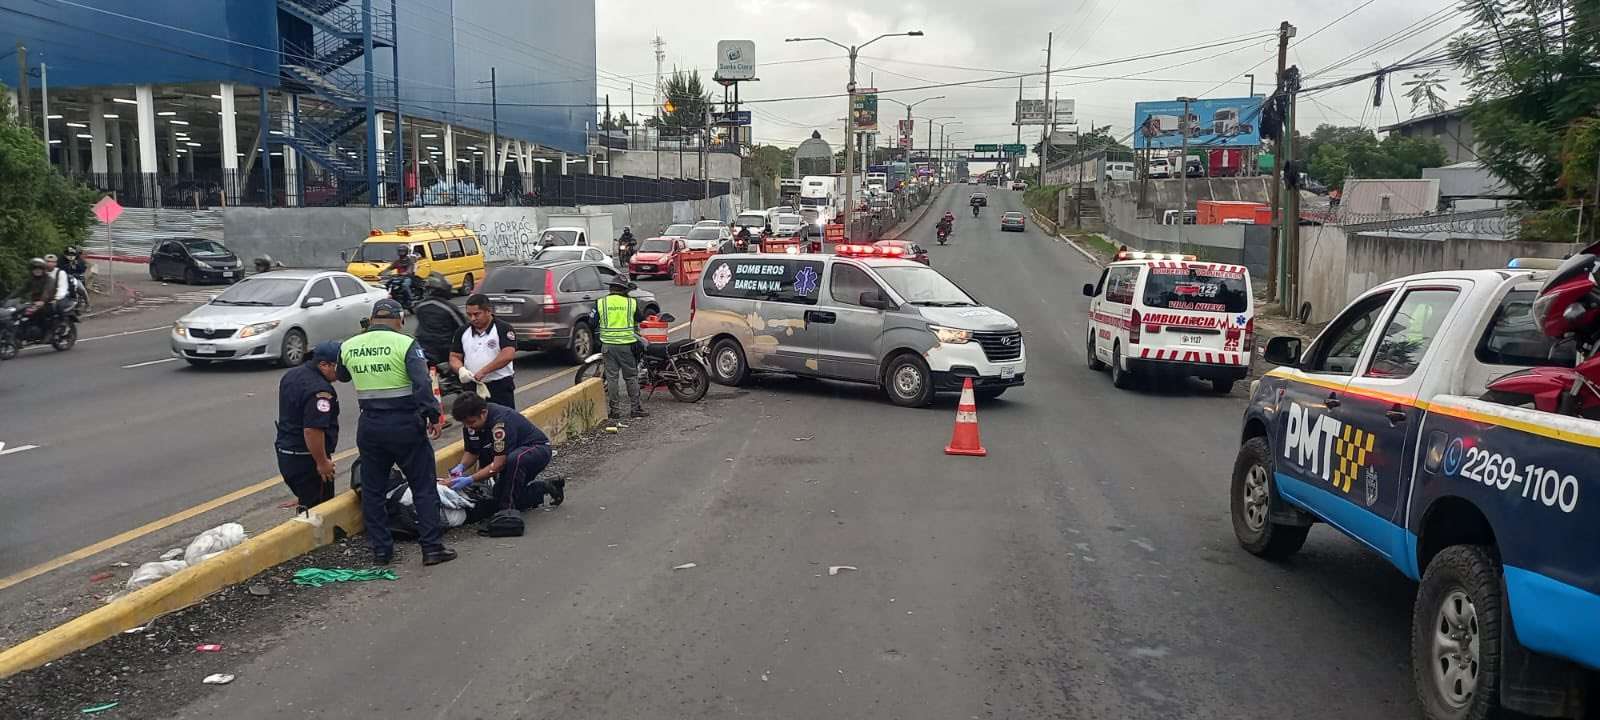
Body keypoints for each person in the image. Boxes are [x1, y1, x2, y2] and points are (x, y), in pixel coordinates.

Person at [339, 299, 456, 566]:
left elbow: (343, 375)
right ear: (399, 319)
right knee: (423, 486)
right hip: (405, 424)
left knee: (373, 490)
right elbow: (422, 383)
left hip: (370, 426)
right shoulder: (405, 344)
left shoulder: (349, 345)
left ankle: (381, 551)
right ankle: (431, 548)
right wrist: (433, 416)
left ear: (371, 319)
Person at [449, 392, 565, 512]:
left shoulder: (500, 423)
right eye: (465, 423)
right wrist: (461, 467)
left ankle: (508, 511)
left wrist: (470, 479)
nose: (468, 427)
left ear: (483, 413)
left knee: (515, 462)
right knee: (498, 498)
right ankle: (546, 487)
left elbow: (499, 464)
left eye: (471, 422)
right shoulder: (471, 424)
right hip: (511, 456)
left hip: (536, 450)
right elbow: (472, 451)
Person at [275, 341, 342, 512]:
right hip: (308, 460)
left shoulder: (292, 375)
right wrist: (322, 463)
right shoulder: (321, 391)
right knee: (319, 512)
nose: (342, 371)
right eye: (339, 366)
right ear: (324, 364)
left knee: (308, 501)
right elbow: (313, 430)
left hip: (286, 454)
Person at [451, 294, 517, 409]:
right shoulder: (462, 331)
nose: (473, 318)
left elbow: (508, 354)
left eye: (477, 314)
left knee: (502, 418)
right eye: (469, 315)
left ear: (488, 311)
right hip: (472, 388)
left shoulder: (503, 328)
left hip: (498, 386)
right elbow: (454, 356)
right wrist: (461, 370)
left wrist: (484, 371)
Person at [597, 277, 648, 425]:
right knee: (631, 377)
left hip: (608, 346)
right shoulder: (631, 303)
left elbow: (592, 321)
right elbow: (640, 318)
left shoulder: (601, 302)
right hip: (626, 346)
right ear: (625, 290)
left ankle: (615, 411)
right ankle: (635, 409)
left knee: (612, 378)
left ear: (611, 288)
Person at [413, 273, 466, 369]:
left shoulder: (420, 307)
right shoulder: (448, 308)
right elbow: (463, 327)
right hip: (445, 351)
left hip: (423, 349)